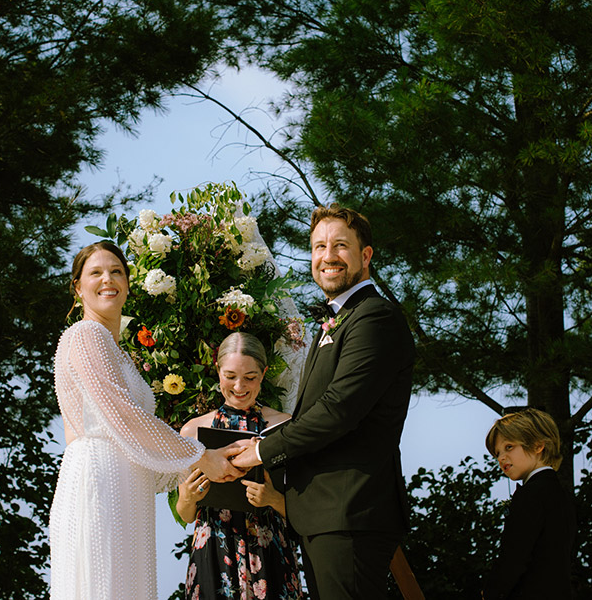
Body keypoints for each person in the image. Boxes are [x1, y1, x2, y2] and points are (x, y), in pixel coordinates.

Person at [230, 204, 416, 599]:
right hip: (325, 515)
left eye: (340, 246)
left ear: (365, 256)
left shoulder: (374, 318)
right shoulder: (338, 320)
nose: (327, 256)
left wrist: (262, 450)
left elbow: (338, 411)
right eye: (318, 247)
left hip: (349, 511)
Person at [48, 241, 246, 600]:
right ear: (78, 288)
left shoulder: (117, 350)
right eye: (96, 272)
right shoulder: (84, 335)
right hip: (99, 479)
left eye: (116, 271)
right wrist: (202, 456)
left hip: (127, 484)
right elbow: (124, 416)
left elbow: (137, 436)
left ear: (127, 282)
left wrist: (205, 465)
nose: (108, 279)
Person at [176, 331, 304, 600]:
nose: (238, 387)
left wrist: (272, 499)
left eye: (250, 377)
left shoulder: (285, 427)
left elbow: (304, 510)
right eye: (230, 376)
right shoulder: (193, 430)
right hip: (214, 551)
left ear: (264, 373)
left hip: (270, 552)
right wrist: (187, 497)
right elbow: (186, 514)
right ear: (217, 371)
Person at [482, 408, 575, 600]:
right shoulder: (561, 494)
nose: (501, 458)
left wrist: (491, 593)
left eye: (509, 447)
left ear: (538, 445)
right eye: (497, 453)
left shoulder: (530, 494)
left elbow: (514, 557)